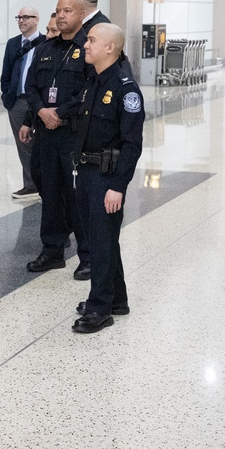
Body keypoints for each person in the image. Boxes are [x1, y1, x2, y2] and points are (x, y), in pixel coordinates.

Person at [72, 23, 144, 333]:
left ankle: (100, 307)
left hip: (107, 176)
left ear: (110, 48)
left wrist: (118, 186)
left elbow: (132, 144)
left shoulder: (125, 89)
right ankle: (117, 298)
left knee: (101, 243)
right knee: (102, 240)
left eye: (91, 40)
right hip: (87, 172)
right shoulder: (94, 82)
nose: (85, 45)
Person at [20, 0, 92, 279]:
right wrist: (40, 112)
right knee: (48, 192)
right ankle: (52, 251)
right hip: (46, 134)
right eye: (58, 11)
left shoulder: (88, 47)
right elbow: (31, 85)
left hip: (72, 133)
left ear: (81, 14)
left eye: (67, 11)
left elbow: (89, 90)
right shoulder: (46, 48)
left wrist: (59, 112)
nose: (61, 16)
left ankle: (86, 255)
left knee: (76, 196)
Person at [1, 6, 45, 200]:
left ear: (37, 20)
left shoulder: (45, 43)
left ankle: (47, 183)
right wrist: (6, 95)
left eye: (26, 17)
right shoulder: (12, 44)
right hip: (17, 101)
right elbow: (6, 71)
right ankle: (31, 184)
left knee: (42, 144)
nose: (21, 20)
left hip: (39, 102)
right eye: (19, 17)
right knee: (23, 144)